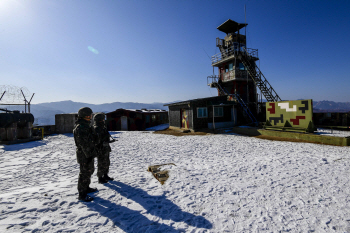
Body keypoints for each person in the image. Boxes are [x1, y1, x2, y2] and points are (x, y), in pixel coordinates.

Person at [73, 107, 99, 202]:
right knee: (84, 173)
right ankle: (82, 194)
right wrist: (88, 155)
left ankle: (86, 188)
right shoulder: (81, 128)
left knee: (89, 171)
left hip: (89, 153)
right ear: (84, 116)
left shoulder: (87, 126)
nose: (91, 117)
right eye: (89, 115)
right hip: (84, 154)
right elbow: (83, 143)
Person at [93, 113, 116, 184]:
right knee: (101, 163)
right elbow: (97, 140)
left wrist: (109, 141)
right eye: (102, 119)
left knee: (107, 162)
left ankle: (105, 175)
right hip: (100, 149)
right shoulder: (96, 128)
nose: (103, 120)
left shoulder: (103, 127)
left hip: (105, 148)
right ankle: (100, 178)